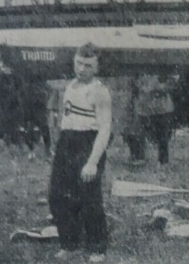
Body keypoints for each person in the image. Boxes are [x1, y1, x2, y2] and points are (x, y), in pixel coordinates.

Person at [48, 43, 111, 262]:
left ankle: (97, 247)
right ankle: (70, 243)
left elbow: (104, 129)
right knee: (57, 195)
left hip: (88, 143)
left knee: (88, 197)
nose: (82, 69)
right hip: (67, 143)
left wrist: (92, 162)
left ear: (97, 67)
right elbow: (66, 119)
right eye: (78, 63)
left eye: (88, 65)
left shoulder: (99, 91)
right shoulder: (70, 85)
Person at [134, 74, 175, 164]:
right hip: (145, 107)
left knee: (163, 137)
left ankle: (163, 160)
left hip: (162, 107)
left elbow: (172, 81)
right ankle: (140, 157)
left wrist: (161, 88)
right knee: (141, 134)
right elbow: (135, 82)